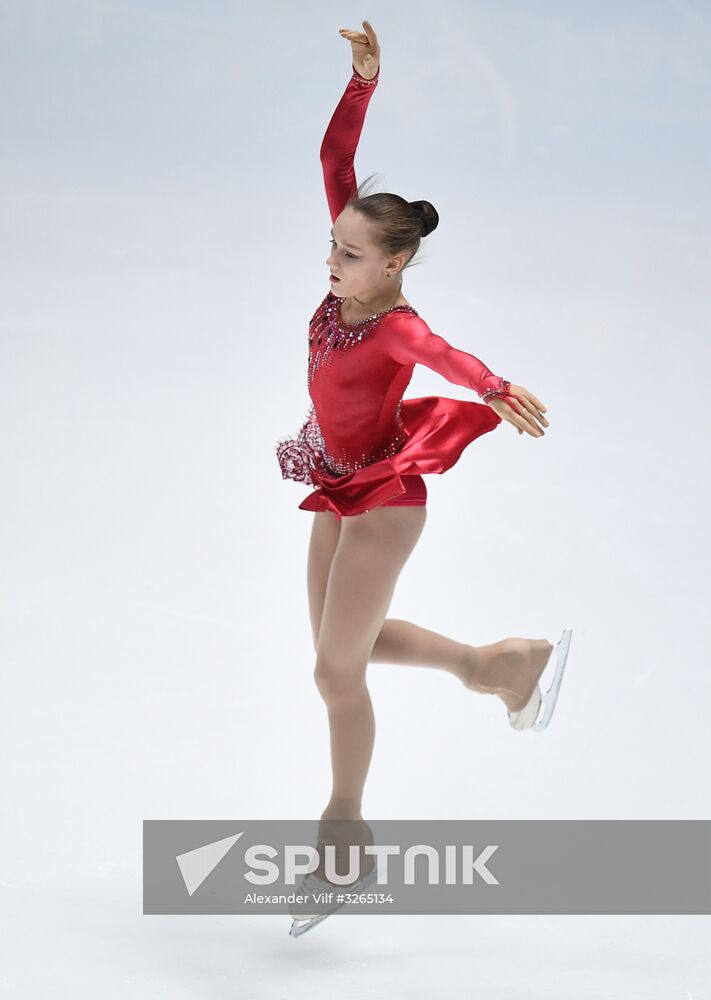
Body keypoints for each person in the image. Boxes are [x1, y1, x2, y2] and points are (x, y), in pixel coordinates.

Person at [276, 21, 569, 929]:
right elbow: (334, 153)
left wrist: (495, 386)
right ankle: (498, 665)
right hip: (337, 476)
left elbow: (445, 354)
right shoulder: (347, 276)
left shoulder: (395, 322)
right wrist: (361, 82)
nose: (333, 262)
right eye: (333, 244)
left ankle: (344, 833)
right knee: (340, 651)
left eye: (352, 255)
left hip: (386, 497)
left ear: (395, 263)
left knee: (333, 672)